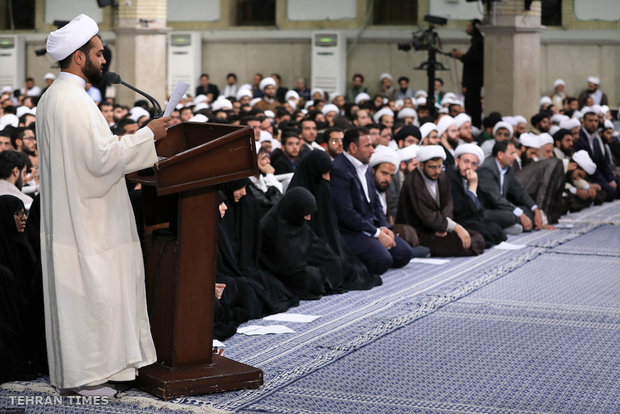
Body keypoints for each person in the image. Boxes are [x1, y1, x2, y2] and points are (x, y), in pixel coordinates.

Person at [36, 14, 171, 395]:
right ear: (78, 58)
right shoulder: (73, 102)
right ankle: (86, 377)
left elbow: (95, 155)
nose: (103, 60)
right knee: (92, 295)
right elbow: (101, 160)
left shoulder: (55, 98)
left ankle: (98, 371)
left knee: (93, 295)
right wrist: (147, 135)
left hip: (79, 213)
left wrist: (136, 138)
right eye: (98, 53)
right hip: (87, 220)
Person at [330, 127, 420, 275]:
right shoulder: (339, 170)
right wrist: (377, 234)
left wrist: (385, 228)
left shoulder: (365, 166)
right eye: (368, 146)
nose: (372, 150)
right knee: (382, 261)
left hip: (371, 226)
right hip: (350, 231)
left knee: (404, 254)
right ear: (353, 147)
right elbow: (346, 213)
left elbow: (376, 203)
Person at [288, 150, 381, 290]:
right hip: (302, 253)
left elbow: (329, 229)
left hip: (323, 245)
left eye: (329, 173)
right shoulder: (297, 195)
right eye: (324, 173)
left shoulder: (322, 188)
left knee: (351, 268)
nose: (328, 179)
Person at [396, 145, 485, 257]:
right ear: (421, 165)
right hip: (420, 231)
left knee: (476, 236)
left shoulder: (441, 176)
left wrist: (444, 229)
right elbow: (426, 215)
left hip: (439, 227)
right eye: (432, 167)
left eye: (439, 166)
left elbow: (448, 204)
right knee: (461, 243)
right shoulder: (413, 182)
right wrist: (455, 227)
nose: (437, 171)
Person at [260, 187, 344, 299]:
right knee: (310, 277)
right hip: (282, 273)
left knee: (336, 262)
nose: (308, 218)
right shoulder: (270, 226)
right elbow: (282, 262)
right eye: (306, 214)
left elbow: (316, 245)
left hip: (300, 265)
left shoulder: (295, 219)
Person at [477, 141, 543, 234]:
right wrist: (520, 214)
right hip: (486, 209)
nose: (514, 157)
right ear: (500, 155)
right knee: (510, 216)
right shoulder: (486, 170)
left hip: (502, 208)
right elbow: (495, 199)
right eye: (512, 153)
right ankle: (502, 228)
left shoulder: (508, 168)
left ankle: (508, 226)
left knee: (528, 212)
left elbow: (519, 191)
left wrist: (535, 209)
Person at [448, 144, 506, 248]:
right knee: (482, 231)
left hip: (472, 218)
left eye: (473, 164)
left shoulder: (471, 177)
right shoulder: (451, 177)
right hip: (458, 220)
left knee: (495, 228)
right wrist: (472, 186)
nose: (469, 167)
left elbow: (479, 207)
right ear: (457, 161)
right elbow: (461, 210)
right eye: (466, 161)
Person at [450, 19, 483, 128]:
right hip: (470, 82)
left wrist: (462, 56)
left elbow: (475, 60)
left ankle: (474, 126)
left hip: (474, 81)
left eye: (469, 26)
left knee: (473, 106)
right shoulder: (475, 41)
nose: (467, 28)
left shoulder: (479, 41)